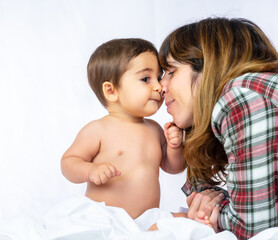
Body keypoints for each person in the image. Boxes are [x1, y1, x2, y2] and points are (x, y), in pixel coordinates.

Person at [158, 17, 278, 239]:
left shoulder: (241, 97)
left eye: (171, 72)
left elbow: (255, 228)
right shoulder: (255, 92)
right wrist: (210, 200)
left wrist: (211, 214)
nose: (160, 87)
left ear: (209, 67)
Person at [60, 38, 187, 222]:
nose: (159, 86)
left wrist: (175, 147)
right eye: (146, 79)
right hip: (106, 219)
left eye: (159, 78)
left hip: (146, 220)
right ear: (111, 91)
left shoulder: (155, 130)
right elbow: (68, 163)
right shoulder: (98, 130)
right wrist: (91, 170)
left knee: (184, 221)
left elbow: (173, 167)